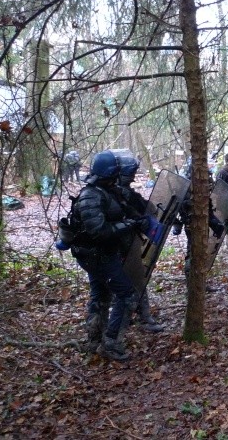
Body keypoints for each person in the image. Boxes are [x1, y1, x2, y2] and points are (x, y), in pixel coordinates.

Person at [69, 150, 144, 361]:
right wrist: (128, 225)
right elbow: (98, 231)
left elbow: (125, 209)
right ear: (109, 173)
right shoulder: (90, 196)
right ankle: (111, 342)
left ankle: (95, 341)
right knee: (128, 296)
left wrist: (135, 219)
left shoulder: (107, 191)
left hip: (102, 255)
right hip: (97, 257)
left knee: (101, 297)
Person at [113, 151, 163, 333]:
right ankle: (137, 318)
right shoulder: (115, 194)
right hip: (121, 243)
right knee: (133, 281)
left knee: (131, 280)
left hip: (124, 242)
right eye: (130, 173)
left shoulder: (119, 193)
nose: (132, 177)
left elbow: (148, 209)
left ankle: (133, 318)